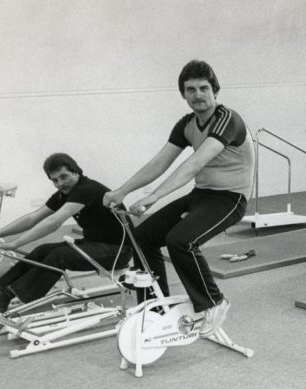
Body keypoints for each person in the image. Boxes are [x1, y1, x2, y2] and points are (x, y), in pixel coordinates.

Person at [103, 60, 253, 337]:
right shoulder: (187, 124)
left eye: (203, 88)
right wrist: (122, 191)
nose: (197, 95)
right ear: (183, 94)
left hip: (230, 199)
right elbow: (159, 163)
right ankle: (154, 308)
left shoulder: (228, 120)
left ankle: (214, 302)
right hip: (201, 195)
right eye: (190, 90)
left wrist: (156, 196)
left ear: (215, 90)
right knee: (142, 237)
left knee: (181, 240)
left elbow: (195, 164)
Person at [0, 153, 131, 314]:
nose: (60, 184)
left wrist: (14, 244)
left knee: (59, 255)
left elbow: (54, 222)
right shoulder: (64, 193)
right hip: (94, 245)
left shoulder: (87, 189)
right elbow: (33, 218)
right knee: (43, 250)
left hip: (117, 251)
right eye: (54, 180)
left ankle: (4, 298)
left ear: (76, 172)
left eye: (64, 177)